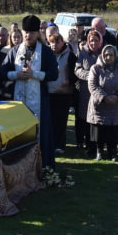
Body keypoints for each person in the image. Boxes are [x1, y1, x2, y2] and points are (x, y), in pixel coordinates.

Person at [3, 15, 58, 168]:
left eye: (32, 32)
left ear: (38, 33)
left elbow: (54, 74)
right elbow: (2, 71)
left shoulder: (45, 52)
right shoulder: (15, 51)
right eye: (26, 32)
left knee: (40, 131)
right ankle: (18, 166)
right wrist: (16, 74)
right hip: (18, 100)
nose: (28, 35)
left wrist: (34, 74)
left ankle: (41, 166)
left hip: (40, 101)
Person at [88, 43, 118, 161]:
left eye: (111, 55)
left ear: (115, 56)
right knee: (100, 130)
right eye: (106, 55)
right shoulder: (95, 68)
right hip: (100, 105)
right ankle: (99, 152)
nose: (108, 57)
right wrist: (104, 97)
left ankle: (113, 152)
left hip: (117, 105)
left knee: (114, 130)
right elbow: (92, 85)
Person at [73, 26, 105, 157]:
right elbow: (77, 70)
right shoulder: (83, 53)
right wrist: (91, 75)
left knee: (98, 119)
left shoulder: (104, 53)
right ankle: (87, 144)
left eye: (96, 40)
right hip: (85, 92)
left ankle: (99, 146)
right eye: (91, 40)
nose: (93, 43)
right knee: (85, 119)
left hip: (100, 91)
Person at [45, 25, 76, 153]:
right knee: (50, 120)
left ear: (62, 42)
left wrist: (68, 81)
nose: (54, 45)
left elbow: (75, 73)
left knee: (61, 121)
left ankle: (60, 145)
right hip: (49, 92)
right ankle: (50, 144)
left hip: (63, 93)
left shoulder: (70, 55)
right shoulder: (47, 55)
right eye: (52, 42)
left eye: (57, 42)